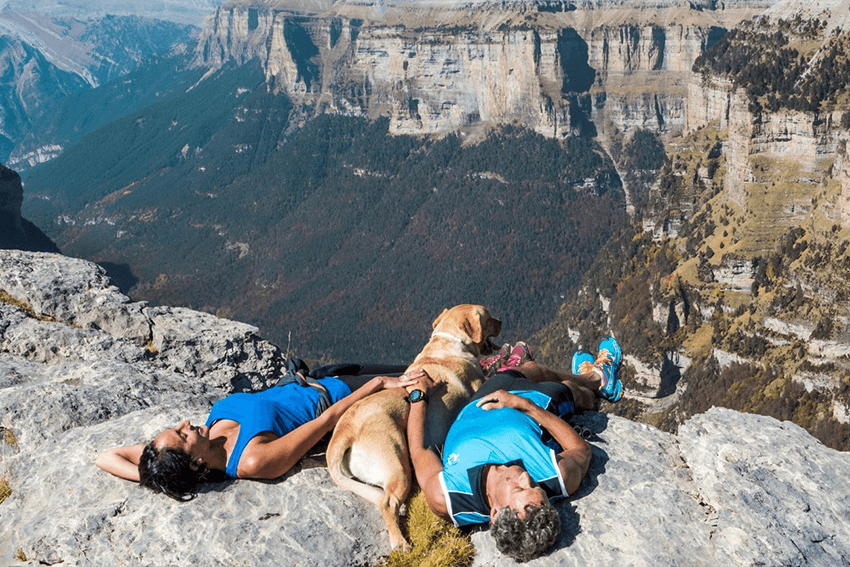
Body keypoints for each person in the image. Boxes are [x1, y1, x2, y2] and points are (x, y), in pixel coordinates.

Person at [405, 337, 623, 562]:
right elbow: (581, 451)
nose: (527, 477)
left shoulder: (449, 495)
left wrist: (418, 396)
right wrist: (526, 407)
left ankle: (583, 377)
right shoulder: (555, 477)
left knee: (530, 369)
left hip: (478, 403)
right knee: (573, 392)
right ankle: (599, 382)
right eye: (535, 487)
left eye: (519, 489)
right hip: (536, 403)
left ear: (495, 513)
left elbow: (419, 450)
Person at [96, 360, 424, 501]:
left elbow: (105, 457)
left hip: (318, 376)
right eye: (183, 436)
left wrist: (158, 479)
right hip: (345, 398)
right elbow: (323, 424)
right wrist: (378, 385)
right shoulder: (252, 460)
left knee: (417, 360)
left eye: (177, 429)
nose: (185, 425)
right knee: (427, 373)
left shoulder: (181, 454)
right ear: (196, 463)